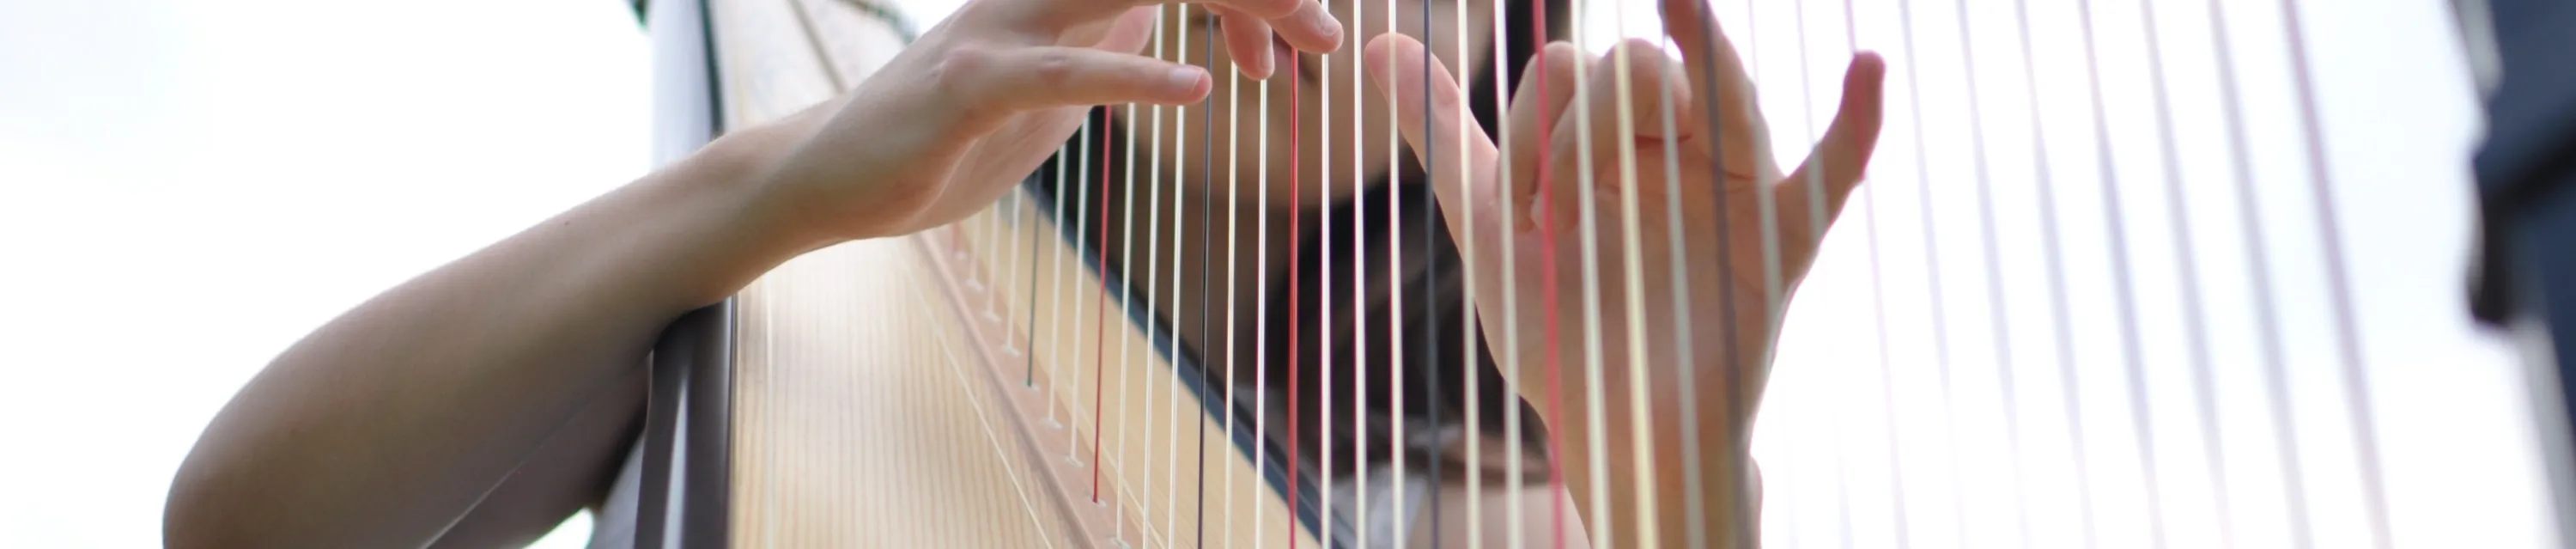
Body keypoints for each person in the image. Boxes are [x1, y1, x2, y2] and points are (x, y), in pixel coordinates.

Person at [162, 0, 1882, 544]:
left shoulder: (1502, 512)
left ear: (1511, 46)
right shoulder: (820, 247)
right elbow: (245, 521)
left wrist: (1674, 491)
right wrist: (782, 179)